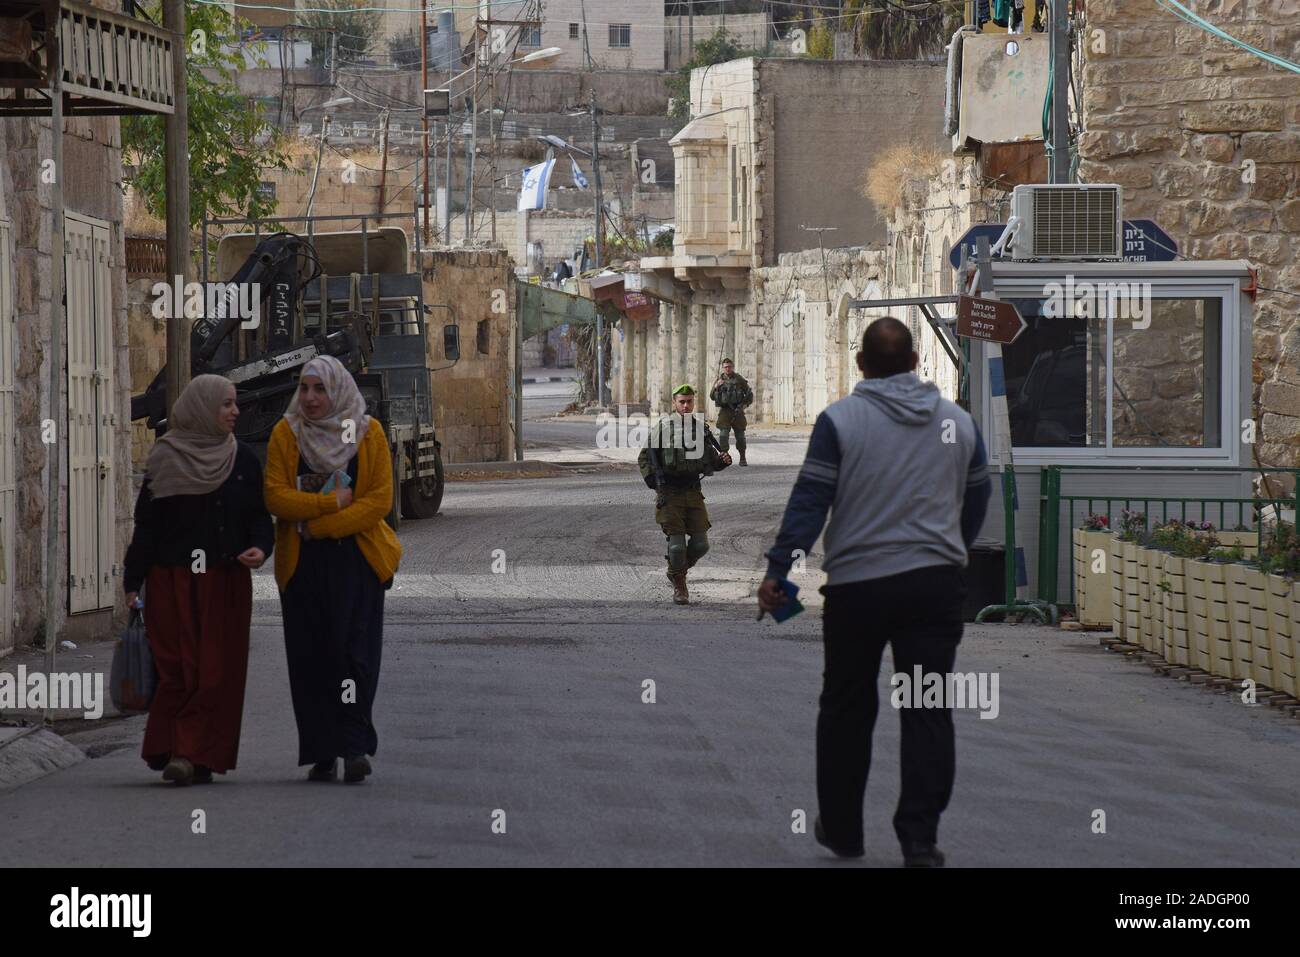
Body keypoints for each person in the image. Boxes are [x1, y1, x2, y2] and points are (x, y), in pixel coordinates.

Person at [758, 316, 991, 867]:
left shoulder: (840, 421)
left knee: (846, 706)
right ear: (915, 363)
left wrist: (780, 572)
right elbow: (977, 496)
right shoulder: (957, 422)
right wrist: (951, 548)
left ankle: (842, 832)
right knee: (928, 708)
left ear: (860, 365)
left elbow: (810, 503)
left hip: (859, 589)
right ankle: (918, 839)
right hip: (934, 588)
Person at [123, 374, 272, 786]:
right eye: (226, 404)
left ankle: (192, 753)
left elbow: (258, 517)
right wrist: (132, 582)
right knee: (179, 670)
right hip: (173, 581)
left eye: (234, 403)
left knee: (215, 674)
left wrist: (261, 548)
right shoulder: (166, 457)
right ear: (203, 408)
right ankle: (179, 750)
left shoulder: (241, 459)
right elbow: (147, 527)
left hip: (223, 583)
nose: (235, 412)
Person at [264, 355, 401, 784]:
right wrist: (327, 503)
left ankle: (354, 746)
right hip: (303, 568)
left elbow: (378, 501)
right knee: (312, 659)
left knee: (354, 656)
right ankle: (322, 750)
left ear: (338, 390)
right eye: (304, 389)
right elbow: (276, 498)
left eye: (319, 389)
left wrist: (319, 525)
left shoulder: (367, 432)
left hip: (357, 562)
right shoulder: (287, 434)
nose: (309, 398)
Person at [639, 384, 732, 605]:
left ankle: (675, 570)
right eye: (682, 402)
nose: (686, 406)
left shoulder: (700, 430)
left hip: (692, 492)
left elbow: (710, 461)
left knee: (701, 545)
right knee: (677, 545)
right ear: (674, 403)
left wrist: (722, 462)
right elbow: (644, 457)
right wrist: (655, 482)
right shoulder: (663, 427)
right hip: (669, 493)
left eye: (689, 401)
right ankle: (680, 584)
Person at [709, 358, 753, 466]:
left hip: (737, 411)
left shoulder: (738, 379)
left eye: (729, 366)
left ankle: (742, 457)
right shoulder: (719, 379)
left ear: (732, 367)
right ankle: (725, 458)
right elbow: (711, 396)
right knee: (723, 435)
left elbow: (749, 394)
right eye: (725, 367)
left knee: (740, 436)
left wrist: (744, 405)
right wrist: (716, 386)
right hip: (725, 411)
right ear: (723, 368)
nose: (727, 369)